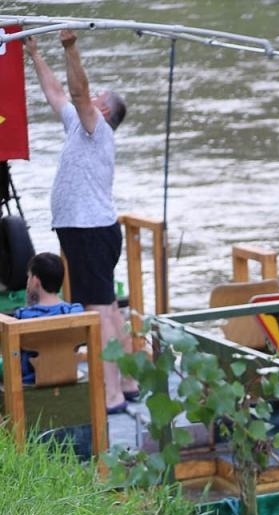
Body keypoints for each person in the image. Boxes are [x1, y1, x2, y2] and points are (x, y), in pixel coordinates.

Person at [25, 28, 133, 412]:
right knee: (107, 307)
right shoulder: (78, 124)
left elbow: (75, 90)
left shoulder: (96, 127)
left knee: (97, 310)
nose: (92, 96)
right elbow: (57, 94)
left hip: (89, 230)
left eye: (97, 97)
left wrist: (71, 48)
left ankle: (112, 395)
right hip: (89, 229)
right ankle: (130, 380)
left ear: (103, 110)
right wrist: (35, 55)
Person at [15, 251, 86, 386]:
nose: (27, 282)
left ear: (36, 281)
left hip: (32, 380)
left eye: (29, 277)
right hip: (68, 375)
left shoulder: (23, 316)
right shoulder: (75, 311)